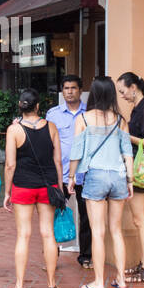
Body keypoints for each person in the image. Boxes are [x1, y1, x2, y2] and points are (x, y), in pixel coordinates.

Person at [68, 76, 134, 288]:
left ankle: (98, 282)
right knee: (116, 230)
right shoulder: (120, 120)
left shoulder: (84, 120)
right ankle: (121, 279)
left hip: (96, 176)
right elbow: (127, 154)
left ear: (93, 94)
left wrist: (71, 178)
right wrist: (130, 181)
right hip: (118, 177)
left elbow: (76, 152)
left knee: (98, 232)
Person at [2, 89, 62, 288]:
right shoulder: (52, 127)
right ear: (38, 107)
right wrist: (59, 187)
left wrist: (7, 191)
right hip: (48, 186)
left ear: (21, 107)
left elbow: (10, 165)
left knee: (23, 235)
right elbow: (57, 161)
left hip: (23, 185)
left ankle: (19, 286)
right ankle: (52, 285)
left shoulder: (14, 130)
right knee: (48, 233)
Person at [118, 71, 144, 283]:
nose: (122, 96)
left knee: (140, 219)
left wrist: (125, 135)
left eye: (123, 91)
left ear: (134, 87)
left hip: (140, 169)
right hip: (134, 168)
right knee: (138, 218)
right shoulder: (138, 109)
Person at [46, 75, 92, 267]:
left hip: (84, 173)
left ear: (80, 90)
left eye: (73, 88)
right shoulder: (53, 114)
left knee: (86, 216)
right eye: (66, 88)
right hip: (59, 172)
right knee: (52, 214)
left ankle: (86, 256)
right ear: (62, 91)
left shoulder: (89, 113)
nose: (70, 91)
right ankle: (51, 254)